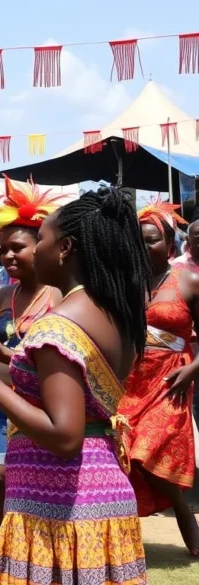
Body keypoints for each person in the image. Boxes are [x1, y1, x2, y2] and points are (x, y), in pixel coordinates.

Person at [0, 186, 149, 584]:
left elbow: (65, 436)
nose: (35, 249)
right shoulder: (115, 313)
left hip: (61, 500)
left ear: (64, 248)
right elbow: (69, 392)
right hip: (100, 491)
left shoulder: (58, 325)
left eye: (41, 239)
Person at [0, 178, 63, 551]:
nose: (8, 256)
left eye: (18, 249)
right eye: (3, 249)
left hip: (38, 401)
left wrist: (11, 353)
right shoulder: (2, 295)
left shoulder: (57, 296)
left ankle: (33, 554)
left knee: (31, 481)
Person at [119, 201, 199, 555]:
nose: (144, 247)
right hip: (129, 381)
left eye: (151, 240)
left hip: (171, 381)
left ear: (169, 244)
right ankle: (123, 536)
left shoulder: (190, 281)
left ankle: (184, 512)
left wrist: (193, 368)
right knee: (123, 456)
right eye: (138, 241)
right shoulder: (124, 283)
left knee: (145, 451)